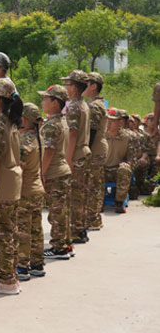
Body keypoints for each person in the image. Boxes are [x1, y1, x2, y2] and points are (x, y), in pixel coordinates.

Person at [0, 78, 24, 295]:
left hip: (2, 182)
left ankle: (6, 279)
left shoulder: (0, 123)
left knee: (3, 233)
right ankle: (10, 275)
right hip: (12, 181)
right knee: (9, 230)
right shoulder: (11, 121)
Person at [39, 85, 73, 260]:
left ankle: (59, 247)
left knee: (56, 212)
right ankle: (66, 243)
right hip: (62, 170)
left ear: (55, 102)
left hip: (54, 172)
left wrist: (41, 174)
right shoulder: (61, 120)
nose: (42, 102)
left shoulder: (52, 125)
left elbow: (49, 152)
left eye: (46, 99)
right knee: (62, 211)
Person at [15, 103, 46, 280]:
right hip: (36, 188)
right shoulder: (37, 137)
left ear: (24, 119)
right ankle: (37, 263)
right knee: (36, 228)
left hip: (26, 190)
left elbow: (20, 165)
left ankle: (22, 265)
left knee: (23, 230)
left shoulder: (25, 141)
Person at [61, 70, 91, 246]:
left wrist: (68, 158)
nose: (66, 87)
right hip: (83, 151)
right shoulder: (83, 104)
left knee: (75, 195)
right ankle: (81, 227)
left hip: (77, 152)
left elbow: (72, 134)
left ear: (74, 87)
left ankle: (76, 230)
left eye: (67, 84)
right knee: (81, 193)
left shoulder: (73, 107)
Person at [82, 72, 108, 231]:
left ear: (93, 86)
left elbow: (90, 131)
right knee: (95, 184)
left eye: (86, 83)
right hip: (99, 147)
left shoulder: (94, 106)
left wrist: (85, 152)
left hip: (95, 147)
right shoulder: (96, 104)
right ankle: (94, 218)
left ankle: (92, 218)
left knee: (92, 184)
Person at [104, 108, 134, 214]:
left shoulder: (127, 137)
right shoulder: (100, 136)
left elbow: (132, 157)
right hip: (103, 169)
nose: (109, 123)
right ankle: (95, 202)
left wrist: (128, 163)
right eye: (107, 120)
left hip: (117, 169)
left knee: (125, 169)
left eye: (112, 121)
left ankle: (119, 201)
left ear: (119, 122)